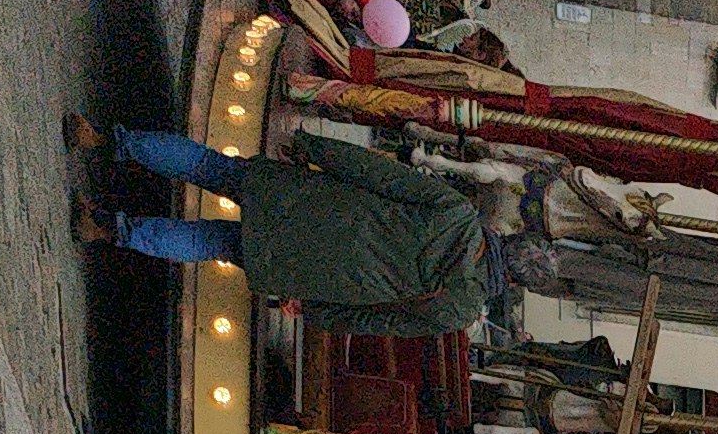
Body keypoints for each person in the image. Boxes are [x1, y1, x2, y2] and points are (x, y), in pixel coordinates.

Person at [67, 115, 494, 332]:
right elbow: (380, 322)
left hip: (316, 203)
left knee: (209, 167)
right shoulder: (457, 312)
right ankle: (104, 229)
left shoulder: (458, 214)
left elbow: (378, 175)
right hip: (318, 272)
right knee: (210, 242)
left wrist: (313, 148)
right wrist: (315, 311)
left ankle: (104, 141)